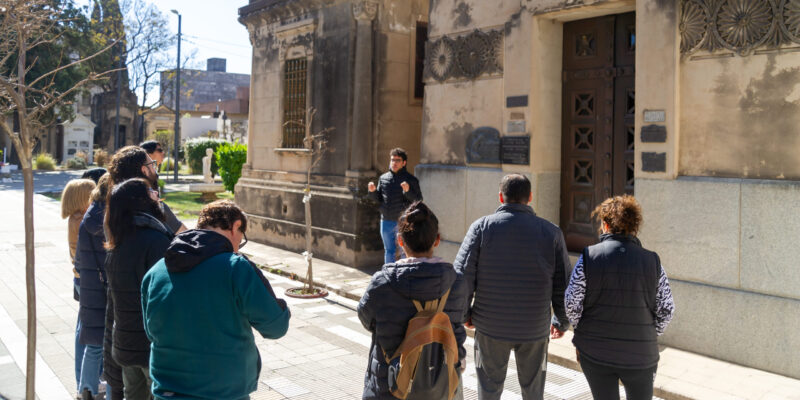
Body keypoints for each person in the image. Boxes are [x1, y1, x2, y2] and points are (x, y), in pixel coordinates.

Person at [141, 200, 291, 400]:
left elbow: (151, 331)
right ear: (235, 226)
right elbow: (275, 327)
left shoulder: (156, 271)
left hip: (168, 391)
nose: (238, 247)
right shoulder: (235, 267)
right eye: (241, 239)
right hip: (224, 392)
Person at [453, 174, 570, 400]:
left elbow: (462, 277)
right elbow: (562, 282)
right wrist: (561, 321)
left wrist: (465, 313)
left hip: (490, 325)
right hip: (535, 327)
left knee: (488, 390)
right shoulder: (552, 232)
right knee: (533, 391)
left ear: (500, 197)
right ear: (530, 197)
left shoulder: (481, 228)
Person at [565, 195, 675, 400]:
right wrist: (648, 332)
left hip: (595, 352)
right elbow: (667, 309)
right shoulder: (653, 261)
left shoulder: (588, 257)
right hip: (641, 355)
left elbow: (572, 303)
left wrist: (582, 333)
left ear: (605, 225)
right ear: (634, 227)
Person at [358, 201, 467, 400]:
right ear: (437, 240)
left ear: (400, 241)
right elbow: (457, 326)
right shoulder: (457, 282)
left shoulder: (382, 282)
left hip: (389, 385)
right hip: (440, 385)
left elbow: (366, 319)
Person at [104, 178, 173, 400]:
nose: (156, 195)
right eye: (151, 192)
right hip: (150, 347)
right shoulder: (155, 240)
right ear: (141, 201)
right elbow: (166, 298)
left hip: (124, 343)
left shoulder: (118, 242)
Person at [75, 174, 120, 400]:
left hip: (90, 288)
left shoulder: (88, 217)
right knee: (112, 348)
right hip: (108, 288)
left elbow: (79, 261)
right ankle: (112, 394)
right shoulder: (110, 219)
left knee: (93, 344)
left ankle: (87, 388)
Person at [61, 178, 96, 399]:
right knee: (86, 332)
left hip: (80, 280)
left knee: (83, 328)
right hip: (86, 281)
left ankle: (81, 380)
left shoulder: (76, 218)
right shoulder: (81, 220)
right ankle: (82, 381)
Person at [107, 145, 186, 234]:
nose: (155, 171)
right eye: (152, 165)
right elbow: (186, 237)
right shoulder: (156, 208)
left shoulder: (110, 211)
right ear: (144, 170)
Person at [367, 148, 422, 264]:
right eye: (392, 160)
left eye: (398, 160)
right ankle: (389, 275)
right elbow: (378, 199)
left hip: (402, 222)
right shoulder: (383, 178)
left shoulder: (411, 179)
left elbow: (418, 200)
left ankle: (402, 276)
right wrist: (372, 192)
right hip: (386, 221)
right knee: (389, 251)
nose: (394, 163)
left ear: (404, 163)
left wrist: (407, 191)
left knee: (403, 251)